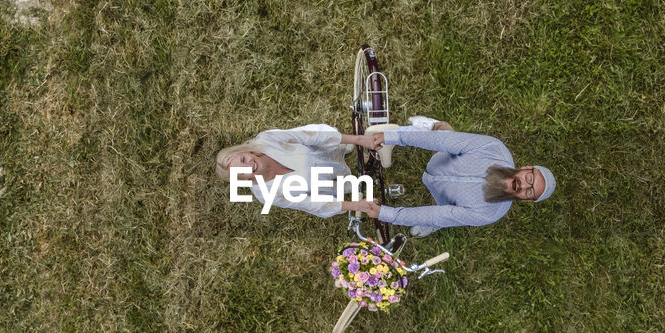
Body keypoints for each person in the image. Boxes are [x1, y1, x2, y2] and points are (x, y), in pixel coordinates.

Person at [346, 117, 556, 236]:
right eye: (530, 179)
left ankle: (433, 224)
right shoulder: (493, 148)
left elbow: (441, 214)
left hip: (442, 200)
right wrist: (393, 137)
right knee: (443, 134)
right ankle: (431, 124)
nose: (523, 186)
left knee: (441, 216)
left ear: (526, 199)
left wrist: (385, 213)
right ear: (526, 168)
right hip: (440, 159)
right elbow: (441, 144)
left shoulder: (489, 213)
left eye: (530, 192)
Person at [215, 123, 378, 217]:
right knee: (353, 186)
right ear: (243, 180)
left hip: (321, 151)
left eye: (243, 160)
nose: (250, 166)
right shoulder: (265, 194)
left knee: (330, 142)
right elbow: (310, 203)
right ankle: (348, 184)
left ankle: (341, 147)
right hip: (328, 185)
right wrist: (356, 205)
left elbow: (310, 135)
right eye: (242, 173)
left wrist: (359, 140)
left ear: (246, 151)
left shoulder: (266, 139)